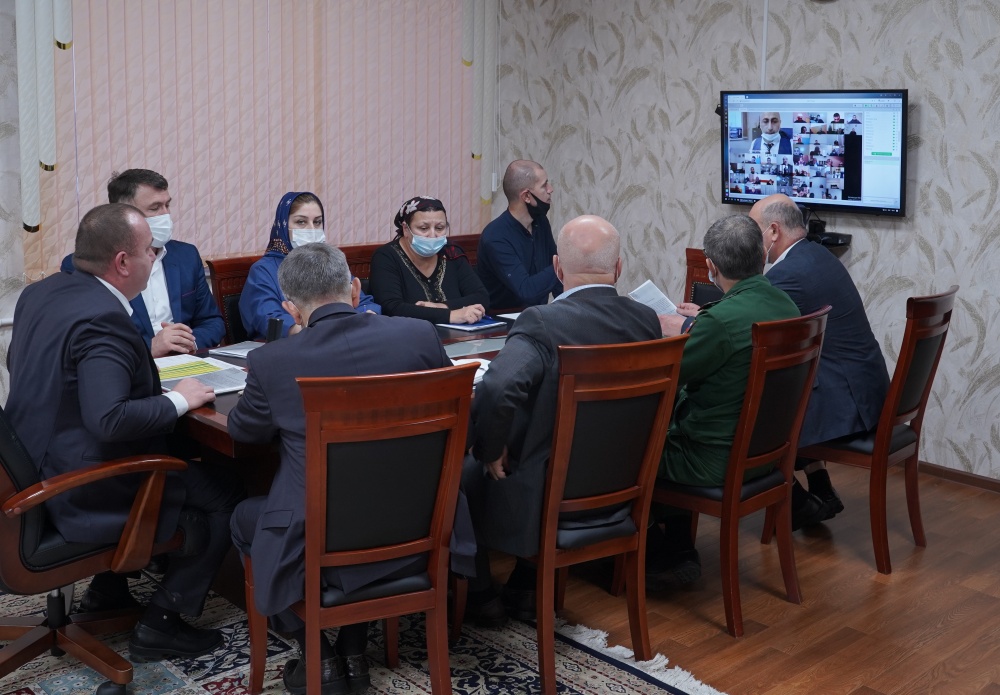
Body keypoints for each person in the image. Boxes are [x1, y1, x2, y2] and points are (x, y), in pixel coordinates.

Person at [7, 204, 244, 661]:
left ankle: (107, 592)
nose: (156, 258)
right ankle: (162, 623)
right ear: (121, 262)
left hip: (32, 463)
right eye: (150, 251)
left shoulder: (41, 293)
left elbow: (25, 367)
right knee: (225, 492)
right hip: (79, 486)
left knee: (180, 456)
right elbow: (110, 420)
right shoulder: (104, 318)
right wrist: (180, 400)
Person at [229, 242, 456, 693]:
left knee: (242, 519)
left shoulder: (272, 361)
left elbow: (243, 431)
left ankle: (317, 654)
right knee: (367, 501)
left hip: (316, 536)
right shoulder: (418, 335)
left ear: (291, 309)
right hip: (418, 523)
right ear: (354, 290)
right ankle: (353, 645)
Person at [464, 215, 660, 623]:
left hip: (546, 493)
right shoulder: (646, 320)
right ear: (618, 267)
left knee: (462, 470)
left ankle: (480, 597)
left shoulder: (542, 321)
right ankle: (525, 586)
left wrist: (490, 449)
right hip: (623, 483)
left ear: (557, 268)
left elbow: (498, 390)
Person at [651, 215, 799, 586]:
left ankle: (655, 551)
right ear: (762, 255)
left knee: (633, 444)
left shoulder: (719, 322)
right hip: (766, 457)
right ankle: (675, 545)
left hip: (713, 461)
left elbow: (667, 378)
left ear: (711, 267)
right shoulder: (787, 306)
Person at [751, 194, 890, 528]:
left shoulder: (787, 275)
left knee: (750, 410)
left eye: (753, 230)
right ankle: (821, 488)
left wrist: (691, 323)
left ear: (773, 231)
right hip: (866, 391)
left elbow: (744, 327)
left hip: (845, 403)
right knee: (786, 384)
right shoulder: (817, 255)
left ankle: (797, 503)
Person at [59, 169, 224, 356]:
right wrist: (149, 348)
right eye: (155, 208)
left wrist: (187, 342)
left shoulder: (186, 256)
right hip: (131, 366)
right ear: (123, 214)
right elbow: (87, 338)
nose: (166, 215)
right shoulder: (88, 264)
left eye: (167, 205)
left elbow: (212, 322)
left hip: (186, 361)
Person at [239, 191, 380, 340]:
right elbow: (266, 318)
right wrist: (312, 330)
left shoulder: (329, 261)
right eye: (301, 222)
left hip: (339, 339)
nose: (311, 229)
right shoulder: (264, 270)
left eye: (317, 222)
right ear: (283, 226)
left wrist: (368, 315)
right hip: (292, 345)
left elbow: (363, 302)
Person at [369, 196, 490, 324]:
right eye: (423, 228)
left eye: (439, 228)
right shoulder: (386, 257)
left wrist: (441, 306)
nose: (432, 235)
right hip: (409, 333)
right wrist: (450, 315)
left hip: (459, 334)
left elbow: (481, 297)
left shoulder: (452, 253)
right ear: (406, 229)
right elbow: (391, 308)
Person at [476, 160, 562, 309]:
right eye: (544, 185)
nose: (550, 189)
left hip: (537, 315)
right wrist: (565, 262)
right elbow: (526, 291)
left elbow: (555, 273)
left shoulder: (540, 222)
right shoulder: (495, 237)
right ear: (526, 196)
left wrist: (570, 309)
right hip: (503, 318)